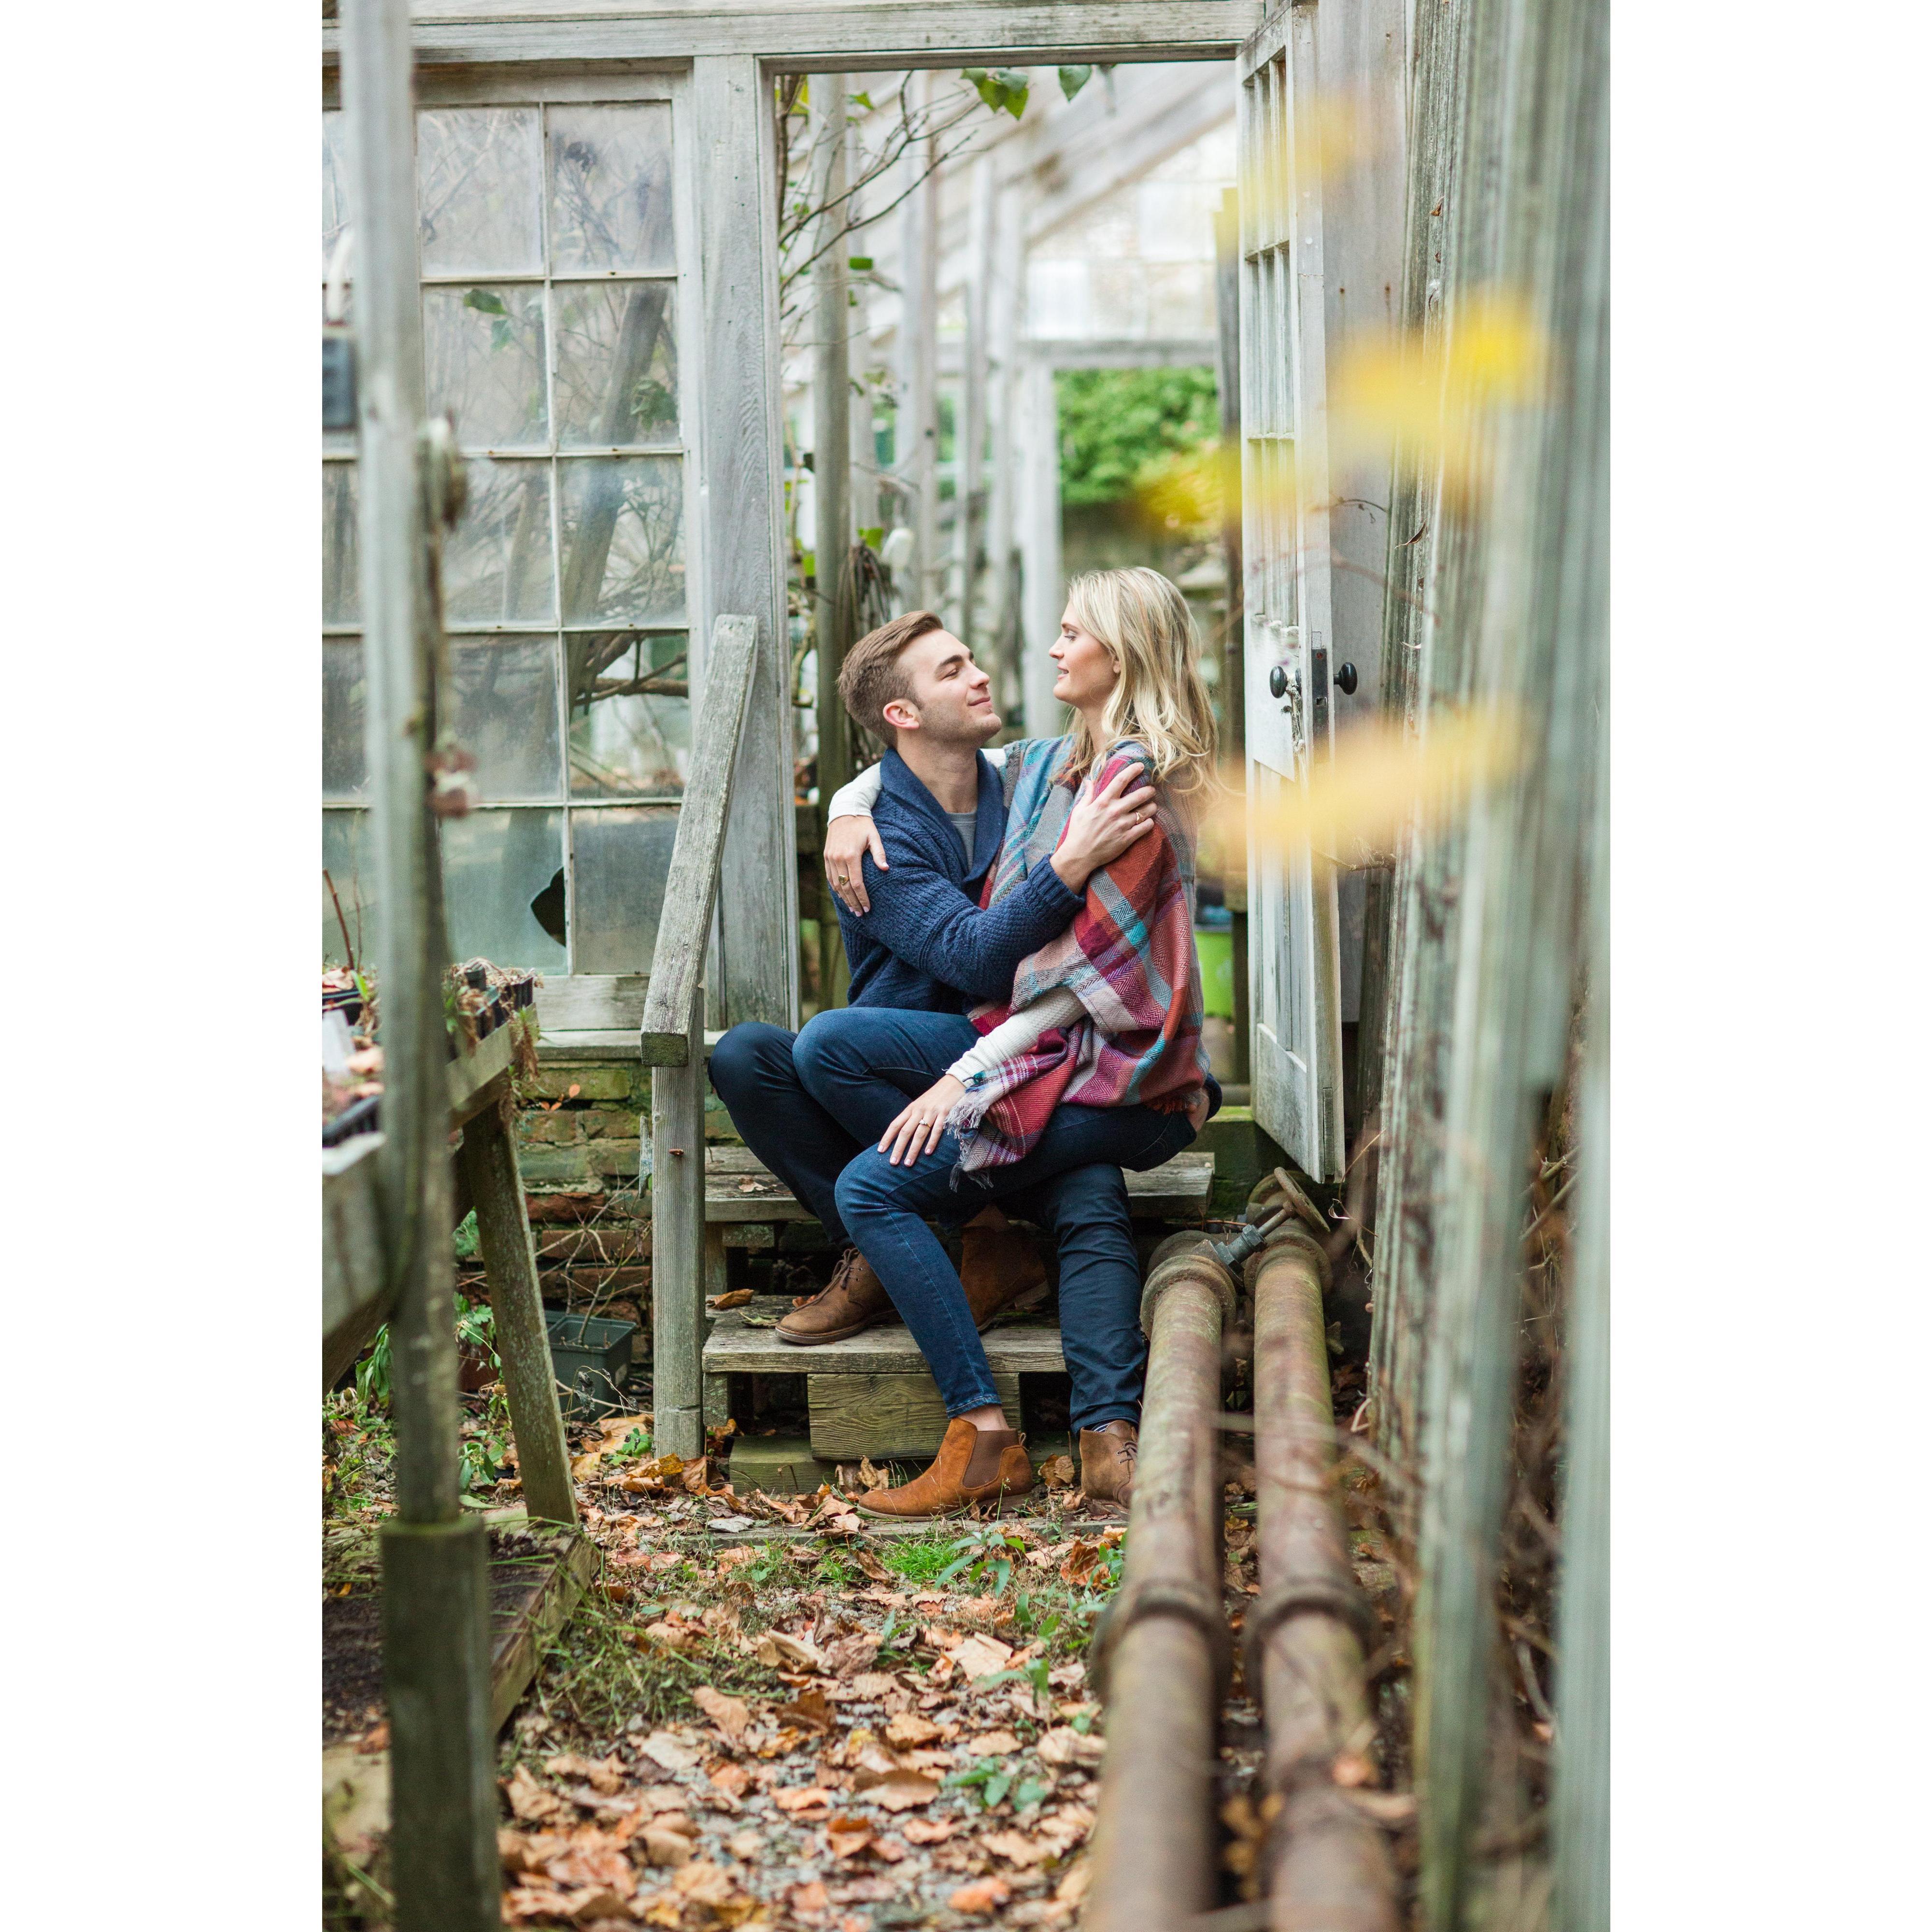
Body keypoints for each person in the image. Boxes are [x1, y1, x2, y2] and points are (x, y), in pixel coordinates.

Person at [706, 608, 1163, 1512]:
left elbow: (1128, 758)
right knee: (762, 1055)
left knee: (1090, 1192)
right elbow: (973, 958)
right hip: (906, 1076)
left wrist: (843, 796)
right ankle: (928, 1239)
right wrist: (855, 805)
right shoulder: (882, 835)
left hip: (1028, 1065)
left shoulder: (1029, 781)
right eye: (952, 670)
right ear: (904, 716)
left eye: (970, 659)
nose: (981, 674)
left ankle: (1109, 1439)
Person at [809, 566, 1219, 1520]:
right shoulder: (1058, 765)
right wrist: (846, 806)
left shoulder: (1127, 786)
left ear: (1120, 653)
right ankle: (1107, 1442)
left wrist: (967, 1078)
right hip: (1078, 1073)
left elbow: (1084, 989)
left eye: (1072, 631)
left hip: (1132, 1080)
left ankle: (985, 1435)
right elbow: (923, 752)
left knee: (870, 1187)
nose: (1052, 647)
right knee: (1081, 1187)